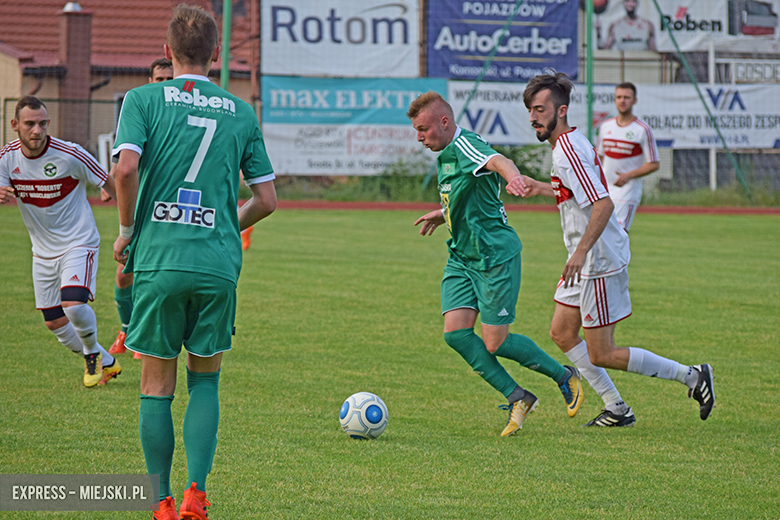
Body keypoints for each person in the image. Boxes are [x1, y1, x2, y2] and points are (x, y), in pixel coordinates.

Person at [112, 5, 277, 519]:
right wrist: (230, 221)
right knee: (205, 380)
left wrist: (126, 232)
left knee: (156, 386)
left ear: (167, 52)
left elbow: (125, 171)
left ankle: (159, 501)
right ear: (216, 54)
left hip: (160, 259)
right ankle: (196, 494)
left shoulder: (141, 99)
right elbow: (267, 200)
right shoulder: (242, 111)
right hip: (217, 263)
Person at [519, 72, 714, 427]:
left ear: (560, 111)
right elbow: (577, 193)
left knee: (602, 351)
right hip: (584, 257)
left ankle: (693, 375)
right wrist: (541, 187)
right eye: (530, 110)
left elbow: (603, 205)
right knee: (561, 332)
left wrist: (579, 253)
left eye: (539, 109)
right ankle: (617, 408)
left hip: (597, 260)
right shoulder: (568, 146)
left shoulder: (568, 150)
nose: (533, 116)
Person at [408, 91, 584, 438]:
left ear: (444, 122)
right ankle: (518, 397)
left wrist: (514, 177)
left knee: (495, 342)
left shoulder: (466, 145)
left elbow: (497, 160)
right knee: (457, 334)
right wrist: (443, 214)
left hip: (493, 258)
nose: (419, 137)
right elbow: (469, 195)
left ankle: (565, 376)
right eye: (416, 130)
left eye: (423, 129)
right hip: (462, 256)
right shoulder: (445, 155)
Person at [0, 96, 122, 387]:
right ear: (15, 125)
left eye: (42, 123)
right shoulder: (6, 158)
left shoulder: (70, 154)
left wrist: (133, 223)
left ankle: (92, 354)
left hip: (79, 241)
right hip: (41, 252)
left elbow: (109, 183)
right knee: (54, 321)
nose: (37, 131)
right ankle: (106, 362)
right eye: (29, 124)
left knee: (73, 304)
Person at [103, 58, 174, 359]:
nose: (163, 84)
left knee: (158, 277)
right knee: (123, 276)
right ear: (150, 82)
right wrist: (111, 185)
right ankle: (126, 329)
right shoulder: (143, 110)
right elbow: (123, 163)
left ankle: (147, 338)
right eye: (158, 79)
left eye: (169, 78)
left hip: (170, 211)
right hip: (140, 212)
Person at [596, 82, 659, 232]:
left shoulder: (642, 129)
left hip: (627, 191)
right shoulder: (606, 126)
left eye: (626, 97)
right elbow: (600, 156)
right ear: (614, 100)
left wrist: (628, 175)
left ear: (634, 100)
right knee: (600, 234)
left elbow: (654, 163)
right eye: (619, 97)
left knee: (619, 234)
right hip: (606, 190)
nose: (622, 101)